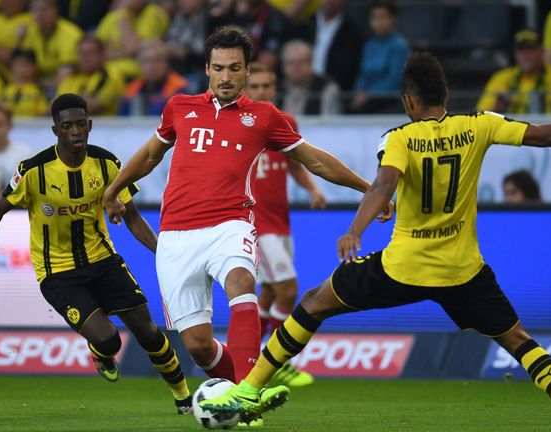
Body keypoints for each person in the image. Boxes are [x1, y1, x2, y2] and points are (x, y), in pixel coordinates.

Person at [200, 51, 551, 432]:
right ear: (445, 93)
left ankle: (248, 388)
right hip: (462, 271)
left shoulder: (400, 138)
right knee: (520, 341)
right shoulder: (479, 126)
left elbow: (384, 185)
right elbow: (548, 135)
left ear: (408, 100)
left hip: (400, 267)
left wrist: (355, 229)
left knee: (314, 303)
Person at [102, 27, 389, 426]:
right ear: (206, 69)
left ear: (246, 70)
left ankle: (248, 393)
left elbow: (316, 160)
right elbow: (150, 154)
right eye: (218, 68)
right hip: (176, 235)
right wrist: (113, 189)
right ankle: (240, 393)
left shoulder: (265, 117)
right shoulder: (179, 108)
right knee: (199, 347)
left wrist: (369, 189)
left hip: (230, 223)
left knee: (241, 283)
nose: (225, 76)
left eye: (234, 68)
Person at [0, 93, 194, 415]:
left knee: (148, 331)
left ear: (89, 126)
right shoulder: (33, 171)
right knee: (110, 341)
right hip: (58, 273)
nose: (75, 131)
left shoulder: (107, 164)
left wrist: (164, 253)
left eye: (80, 124)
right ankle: (100, 350)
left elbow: (131, 216)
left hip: (103, 261)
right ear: (56, 131)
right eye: (67, 126)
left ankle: (184, 398)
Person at [244, 62, 325, 388]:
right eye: (256, 86)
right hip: (256, 221)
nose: (262, 91)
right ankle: (274, 361)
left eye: (267, 86)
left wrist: (313, 188)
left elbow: (293, 162)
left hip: (281, 220)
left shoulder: (284, 121)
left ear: (274, 88)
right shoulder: (240, 122)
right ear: (246, 89)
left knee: (268, 295)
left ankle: (251, 359)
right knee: (289, 289)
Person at [349, 0, 410, 114]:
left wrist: (368, 95)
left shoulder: (399, 46)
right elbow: (363, 75)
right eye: (374, 18)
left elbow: (394, 80)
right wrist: (358, 91)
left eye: (383, 17)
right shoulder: (369, 45)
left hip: (390, 101)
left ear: (394, 19)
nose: (378, 22)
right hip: (366, 100)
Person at [477, 30, 551, 114]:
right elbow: (480, 116)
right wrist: (498, 106)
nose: (526, 55)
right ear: (515, 53)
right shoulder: (502, 77)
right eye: (521, 49)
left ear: (542, 51)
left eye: (531, 49)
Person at [95, 0, 170, 80]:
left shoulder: (155, 14)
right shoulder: (113, 16)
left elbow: (136, 48)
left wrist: (124, 20)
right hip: (105, 74)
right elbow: (96, 52)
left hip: (133, 75)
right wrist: (126, 51)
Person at [20, 0, 83, 91]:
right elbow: (22, 66)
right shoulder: (29, 31)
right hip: (38, 82)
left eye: (44, 9)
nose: (39, 14)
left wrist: (37, 82)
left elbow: (65, 76)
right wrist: (20, 41)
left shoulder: (70, 34)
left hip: (64, 86)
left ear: (55, 11)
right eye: (34, 10)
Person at [56, 36, 126, 116]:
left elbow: (89, 108)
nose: (84, 57)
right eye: (81, 53)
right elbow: (54, 106)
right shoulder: (70, 77)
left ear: (102, 55)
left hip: (102, 126)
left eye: (90, 53)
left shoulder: (111, 76)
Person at [120, 39, 188, 116]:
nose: (151, 66)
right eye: (146, 61)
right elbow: (122, 120)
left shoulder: (180, 87)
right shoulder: (131, 89)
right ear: (139, 64)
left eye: (157, 60)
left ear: (166, 63)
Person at [277, 39, 341, 115]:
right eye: (290, 63)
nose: (295, 68)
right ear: (283, 66)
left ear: (311, 63)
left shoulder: (327, 88)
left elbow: (332, 124)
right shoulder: (276, 90)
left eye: (301, 62)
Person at [3, 49, 49, 117]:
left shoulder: (38, 90)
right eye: (18, 64)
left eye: (26, 65)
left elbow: (43, 112)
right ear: (11, 66)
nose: (22, 69)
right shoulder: (6, 88)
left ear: (34, 67)